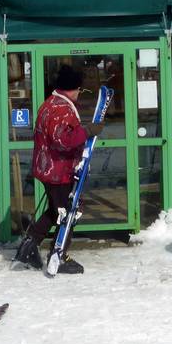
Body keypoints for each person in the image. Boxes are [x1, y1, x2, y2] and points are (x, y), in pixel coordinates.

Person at [13, 65, 104, 274]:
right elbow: (62, 140)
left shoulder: (50, 104)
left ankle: (29, 246)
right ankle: (58, 256)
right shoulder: (61, 109)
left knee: (56, 211)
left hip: (50, 169)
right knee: (70, 212)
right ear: (72, 88)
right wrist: (87, 131)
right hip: (59, 171)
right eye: (79, 89)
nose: (79, 93)